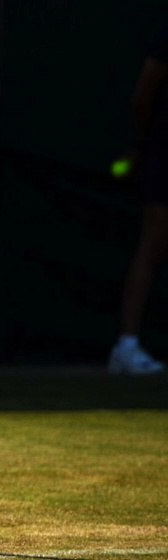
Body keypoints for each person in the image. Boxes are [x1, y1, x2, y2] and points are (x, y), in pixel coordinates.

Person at [112, 26, 168, 375]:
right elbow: (142, 97)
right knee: (155, 241)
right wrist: (149, 143)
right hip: (164, 155)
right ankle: (126, 346)